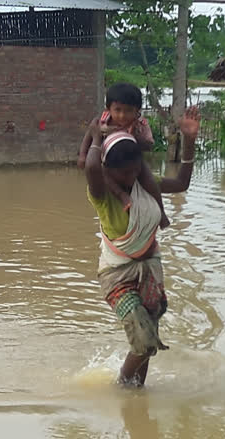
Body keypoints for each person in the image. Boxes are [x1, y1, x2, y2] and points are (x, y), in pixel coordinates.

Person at [85, 106, 201, 387]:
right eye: (124, 173)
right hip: (117, 276)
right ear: (109, 171)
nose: (131, 177)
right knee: (146, 344)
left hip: (149, 269)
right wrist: (97, 138)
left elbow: (182, 182)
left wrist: (189, 140)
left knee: (148, 337)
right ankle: (122, 386)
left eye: (136, 170)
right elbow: (90, 167)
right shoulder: (103, 195)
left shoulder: (146, 185)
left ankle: (138, 394)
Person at [78, 83, 171, 230]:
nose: (122, 115)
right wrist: (83, 155)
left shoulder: (140, 124)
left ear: (137, 111)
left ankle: (161, 212)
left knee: (149, 179)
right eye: (118, 110)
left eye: (128, 111)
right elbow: (89, 135)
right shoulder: (101, 121)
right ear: (109, 109)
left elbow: (149, 145)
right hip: (108, 162)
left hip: (132, 162)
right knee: (104, 174)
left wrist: (132, 136)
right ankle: (121, 196)